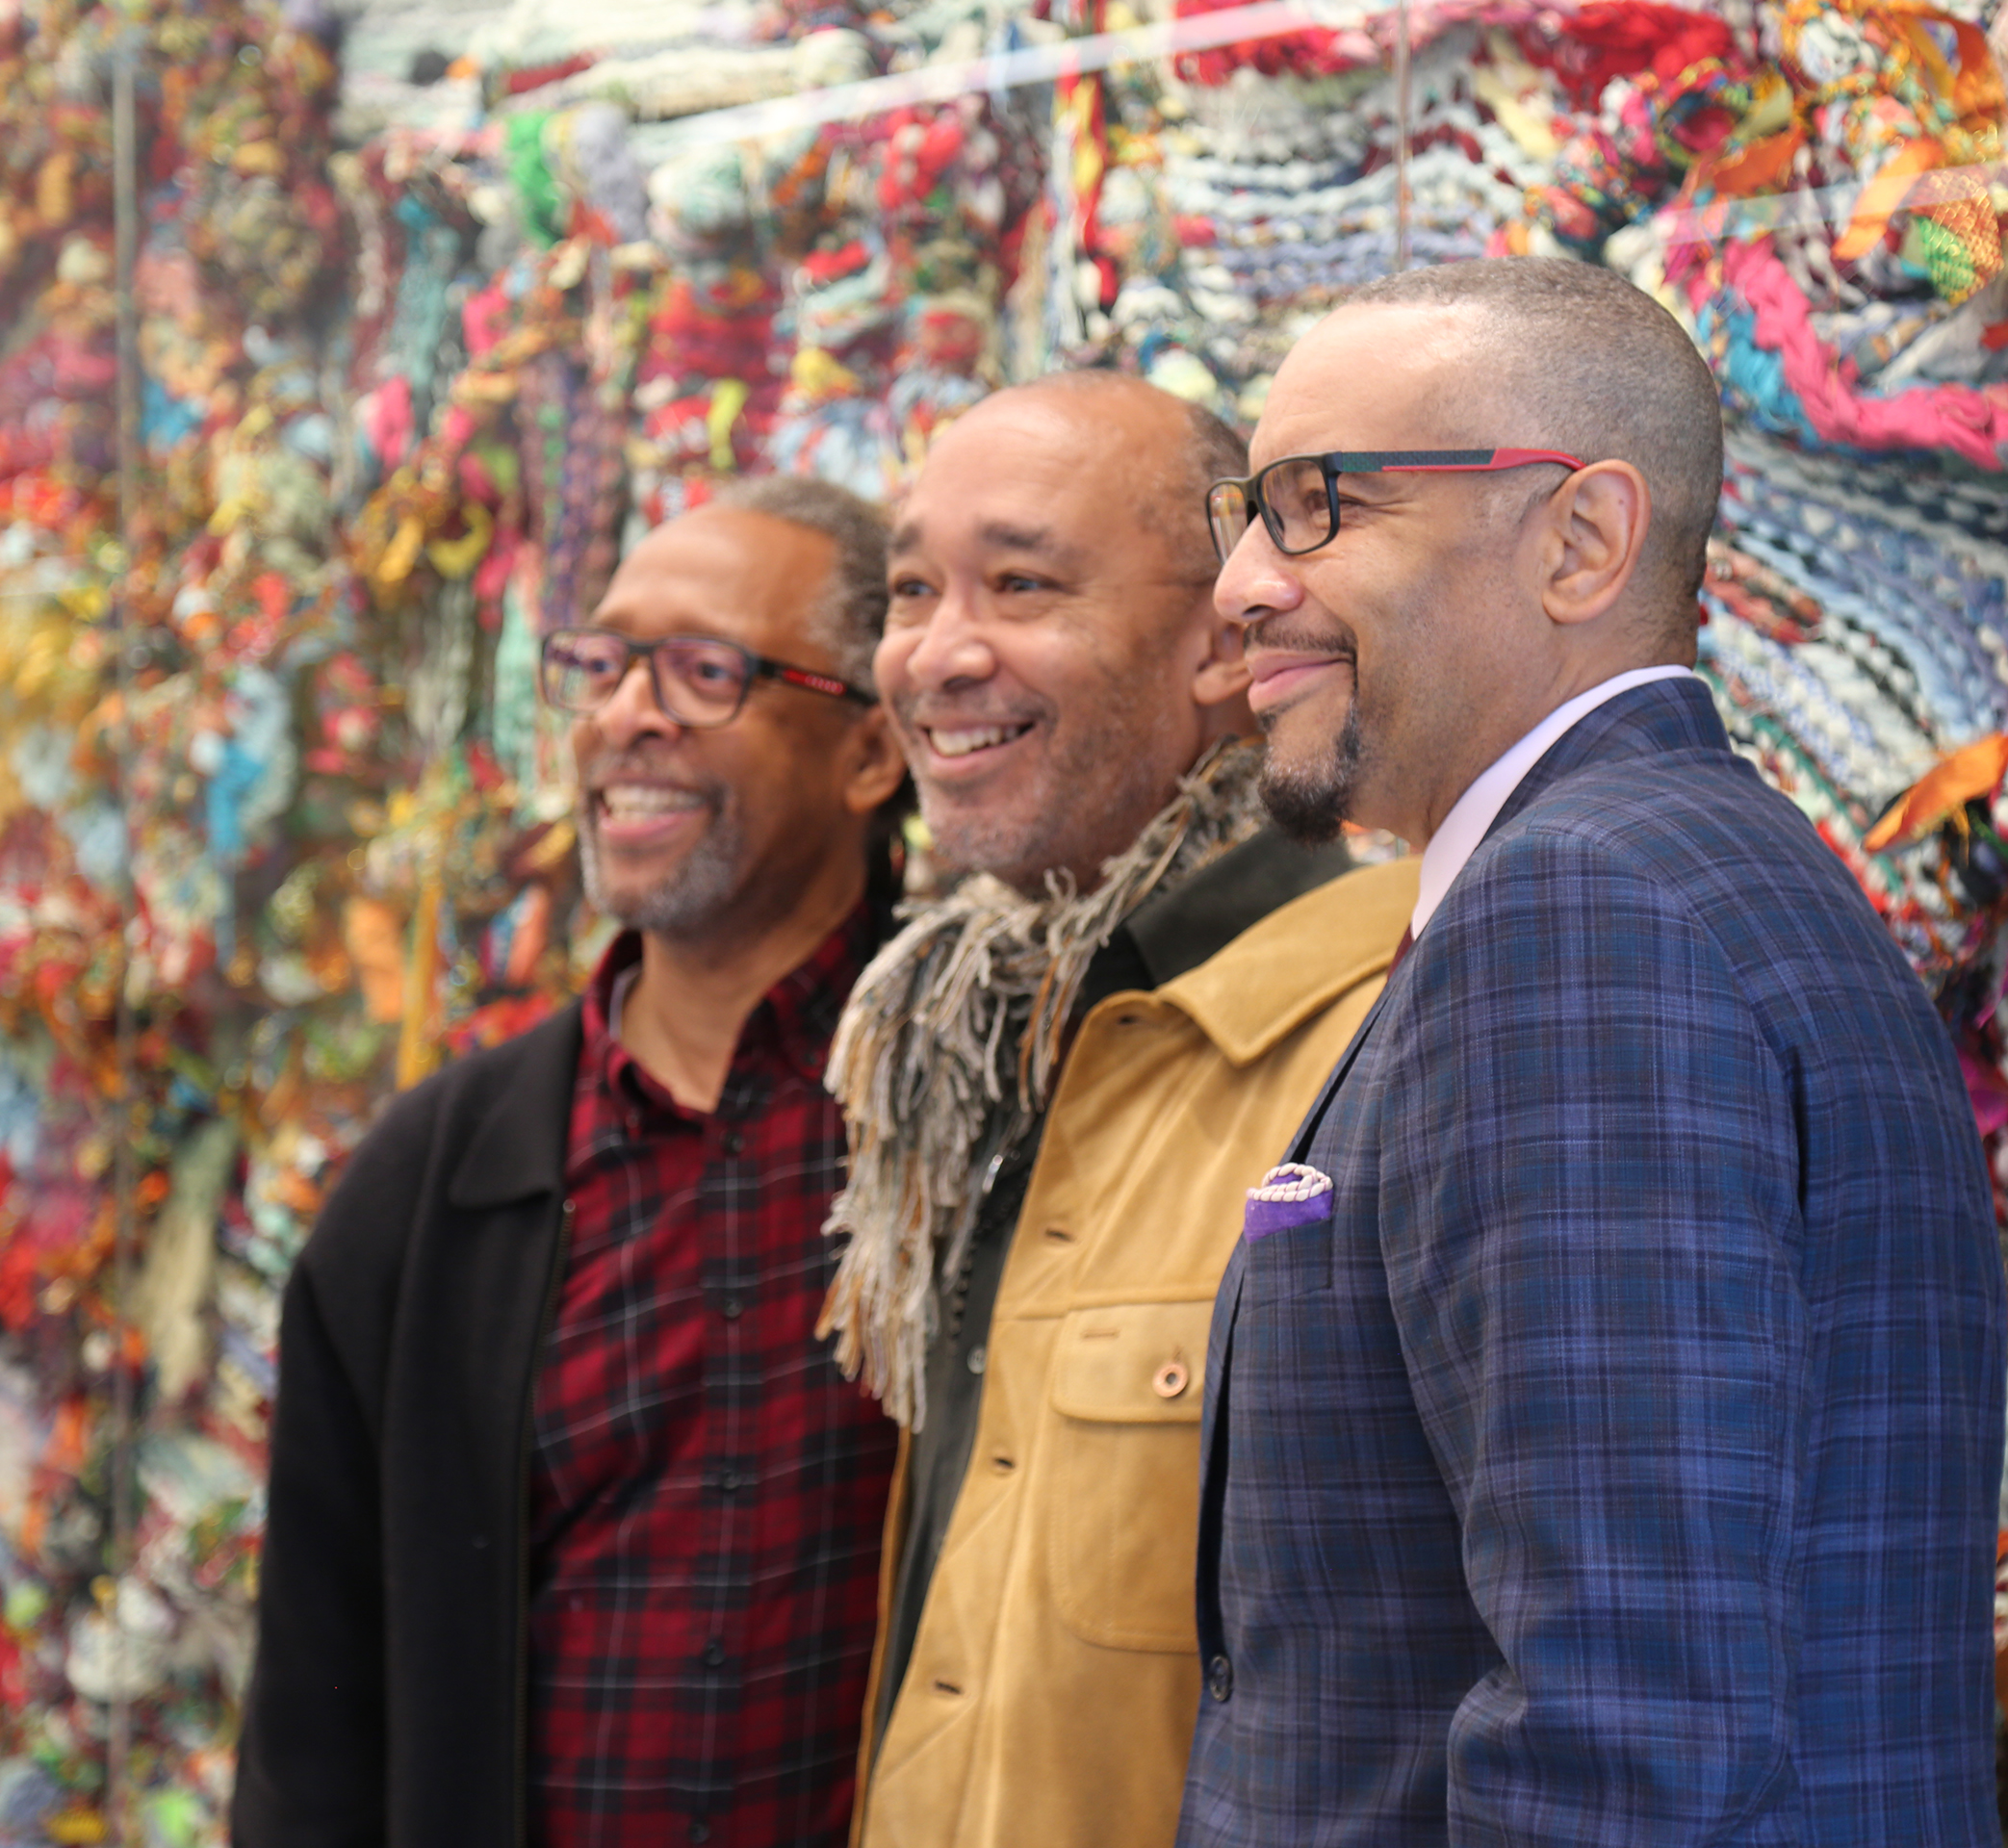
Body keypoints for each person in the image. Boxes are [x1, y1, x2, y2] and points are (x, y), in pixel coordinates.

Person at [1183, 259, 2008, 1847]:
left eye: (1317, 507)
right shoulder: (1674, 869)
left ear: (1581, 541)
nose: (1239, 587)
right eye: (1246, 510)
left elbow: (1626, 1738)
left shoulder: (1580, 909)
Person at [233, 478, 911, 1848]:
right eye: (600, 664)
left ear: (872, 752)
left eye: (704, 670)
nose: (624, 714)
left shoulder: (987, 1114)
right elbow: (317, 1716)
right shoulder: (431, 1195)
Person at [822, 372, 1414, 1848]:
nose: (938, 656)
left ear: (1226, 635)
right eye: (910, 591)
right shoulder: (958, 1045)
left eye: (1020, 583)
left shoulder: (1383, 1031)